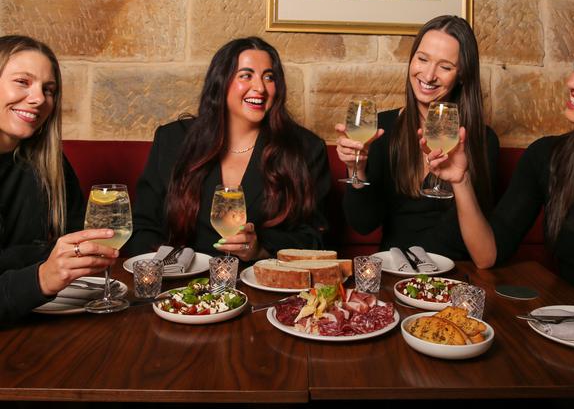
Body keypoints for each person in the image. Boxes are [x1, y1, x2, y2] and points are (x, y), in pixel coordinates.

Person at [428, 25, 574, 320]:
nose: (573, 81)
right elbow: (487, 256)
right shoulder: (547, 156)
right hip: (563, 323)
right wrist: (461, 180)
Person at [128, 37, 330, 261]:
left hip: (260, 286)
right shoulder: (172, 139)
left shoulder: (306, 148)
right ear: (221, 82)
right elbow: (142, 227)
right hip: (182, 285)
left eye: (269, 77)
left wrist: (259, 248)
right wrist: (167, 268)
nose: (260, 88)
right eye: (246, 75)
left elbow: (316, 240)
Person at [335, 16, 499, 258]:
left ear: (462, 75)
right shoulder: (382, 129)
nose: (429, 75)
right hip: (393, 273)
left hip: (453, 276)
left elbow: (483, 257)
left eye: (445, 67)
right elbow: (363, 225)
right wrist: (355, 170)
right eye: (422, 59)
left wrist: (460, 180)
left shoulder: (482, 140)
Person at [0, 35, 119, 322]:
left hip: (45, 323)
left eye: (49, 89)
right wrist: (40, 274)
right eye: (22, 82)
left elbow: (76, 241)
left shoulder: (49, 164)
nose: (39, 98)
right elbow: (50, 262)